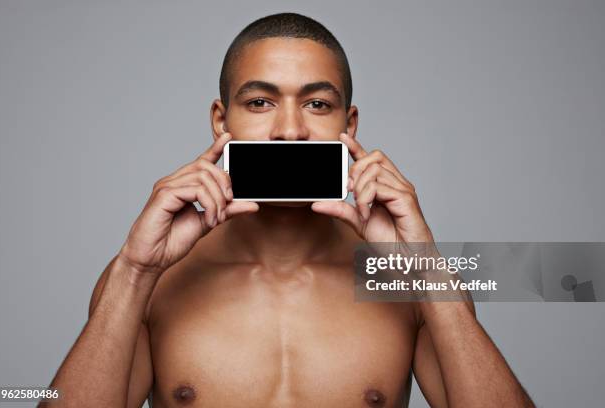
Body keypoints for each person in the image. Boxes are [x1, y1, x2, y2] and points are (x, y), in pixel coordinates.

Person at [41, 13, 535, 407]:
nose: (290, 131)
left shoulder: (412, 283)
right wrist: (134, 269)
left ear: (350, 124)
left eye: (318, 105)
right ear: (221, 121)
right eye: (260, 102)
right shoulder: (146, 282)